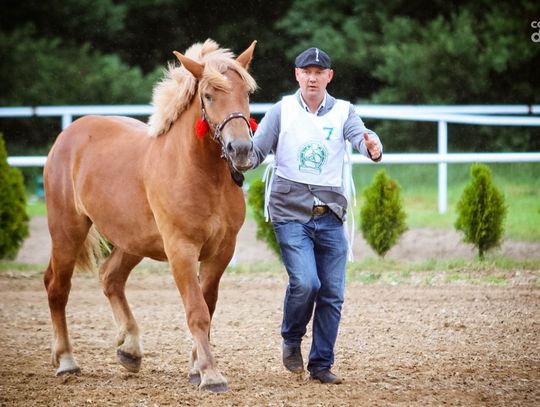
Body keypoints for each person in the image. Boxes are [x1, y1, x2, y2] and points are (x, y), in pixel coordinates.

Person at [248, 47, 383, 384]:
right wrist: (236, 149)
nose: (312, 78)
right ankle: (292, 337)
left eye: (318, 72)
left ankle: (321, 365)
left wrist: (372, 146)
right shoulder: (281, 110)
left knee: (332, 294)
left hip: (330, 215)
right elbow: (255, 152)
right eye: (306, 72)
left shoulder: (345, 111)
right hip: (290, 212)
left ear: (329, 76)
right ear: (297, 75)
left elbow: (361, 135)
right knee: (306, 282)